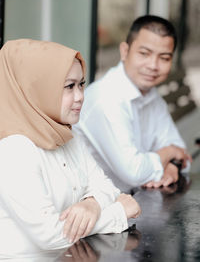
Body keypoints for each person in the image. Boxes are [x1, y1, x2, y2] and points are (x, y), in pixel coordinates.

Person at [0, 39, 141, 258]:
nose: (80, 96)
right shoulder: (13, 151)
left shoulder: (67, 136)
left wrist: (91, 205)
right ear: (36, 89)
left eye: (81, 84)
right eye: (69, 86)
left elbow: (107, 187)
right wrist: (118, 213)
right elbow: (52, 236)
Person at [75, 15, 192, 192]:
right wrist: (169, 153)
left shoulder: (151, 95)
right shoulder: (107, 98)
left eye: (164, 58)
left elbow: (181, 151)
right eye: (144, 54)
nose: (153, 65)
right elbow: (135, 172)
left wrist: (172, 166)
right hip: (97, 209)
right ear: (124, 51)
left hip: (136, 199)